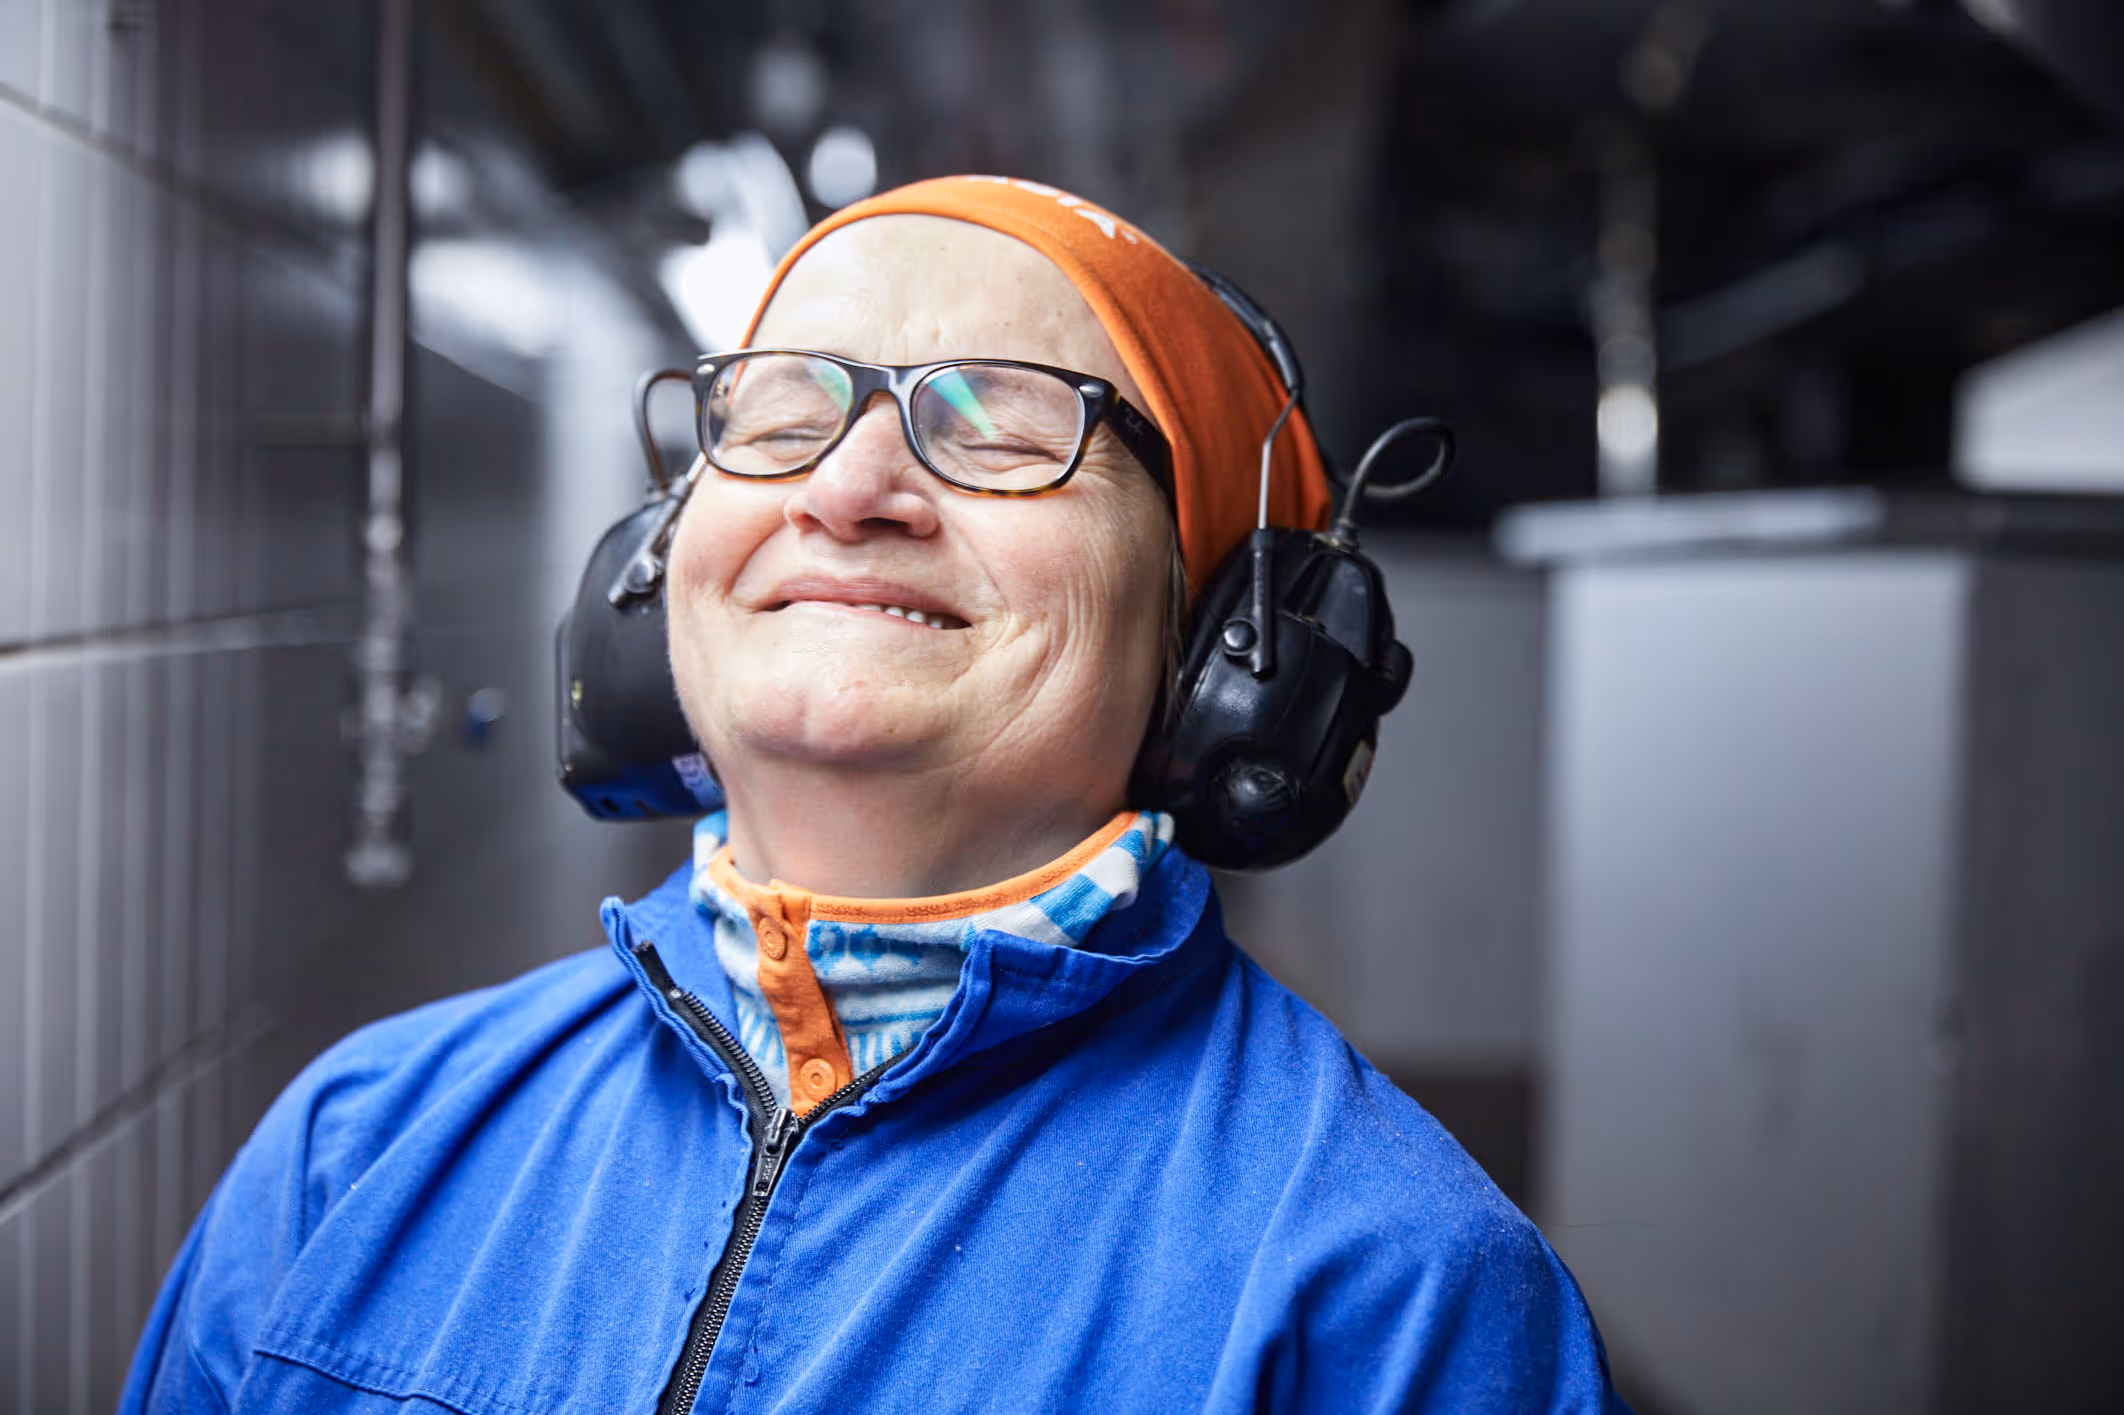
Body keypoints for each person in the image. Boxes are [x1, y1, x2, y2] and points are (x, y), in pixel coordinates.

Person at [120, 176, 1626, 1413]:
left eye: (1004, 421)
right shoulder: (359, 1148)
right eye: (778, 414)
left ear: (1227, 645)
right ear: (658, 569)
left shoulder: (1392, 1301)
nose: (847, 487)